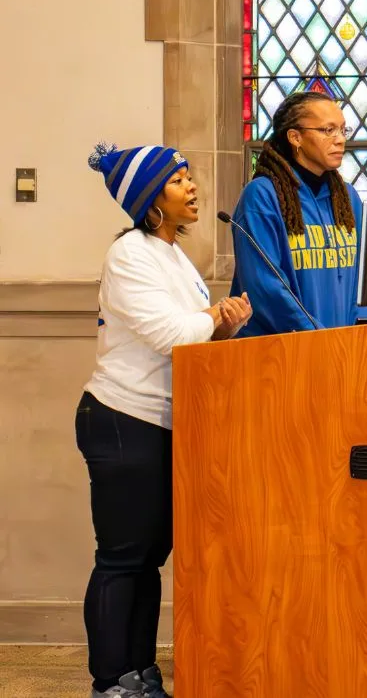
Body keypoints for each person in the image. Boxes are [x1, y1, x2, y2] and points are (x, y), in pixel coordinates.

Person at [80, 144, 252, 697]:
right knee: (122, 557)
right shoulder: (130, 254)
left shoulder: (173, 255)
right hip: (122, 418)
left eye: (189, 177)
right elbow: (169, 335)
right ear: (151, 199)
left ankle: (140, 669)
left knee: (149, 558)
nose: (193, 187)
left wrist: (226, 326)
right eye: (178, 180)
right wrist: (212, 316)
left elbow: (193, 339)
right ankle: (111, 680)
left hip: (164, 421)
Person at [229, 91, 367, 334]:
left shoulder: (347, 198)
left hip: (343, 352)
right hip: (282, 353)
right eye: (328, 130)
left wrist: (363, 332)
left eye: (343, 130)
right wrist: (317, 337)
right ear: (295, 137)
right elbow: (265, 288)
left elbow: (364, 282)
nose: (340, 140)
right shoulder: (262, 196)